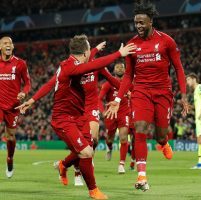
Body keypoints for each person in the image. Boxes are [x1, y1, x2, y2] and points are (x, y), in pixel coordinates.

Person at [16, 34, 135, 199]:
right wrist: (118, 54)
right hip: (64, 119)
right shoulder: (71, 67)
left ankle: (63, 165)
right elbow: (55, 81)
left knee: (88, 149)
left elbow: (53, 82)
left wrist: (32, 100)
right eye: (89, 51)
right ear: (85, 52)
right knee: (86, 152)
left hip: (80, 116)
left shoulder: (70, 64)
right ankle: (93, 190)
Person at [105, 2, 188, 191]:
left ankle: (164, 143)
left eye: (142, 22)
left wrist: (183, 95)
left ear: (151, 21)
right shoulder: (132, 45)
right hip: (140, 91)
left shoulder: (167, 41)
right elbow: (127, 75)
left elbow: (178, 68)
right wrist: (118, 100)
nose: (139, 26)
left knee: (159, 136)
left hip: (163, 92)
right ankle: (142, 176)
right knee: (140, 128)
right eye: (136, 23)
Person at [0, 36, 31, 178]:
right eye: (5, 43)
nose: (8, 45)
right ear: (0, 47)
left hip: (13, 106)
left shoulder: (20, 64)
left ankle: (10, 159)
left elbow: (28, 84)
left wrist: (23, 93)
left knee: (10, 136)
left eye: (10, 43)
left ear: (12, 47)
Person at [99, 60, 131, 174]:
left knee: (123, 138)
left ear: (125, 69)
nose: (120, 69)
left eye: (122, 67)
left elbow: (135, 95)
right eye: (117, 68)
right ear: (114, 70)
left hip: (124, 113)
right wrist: (103, 111)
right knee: (110, 138)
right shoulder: (108, 84)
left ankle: (121, 164)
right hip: (111, 114)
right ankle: (109, 147)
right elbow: (99, 99)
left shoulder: (129, 83)